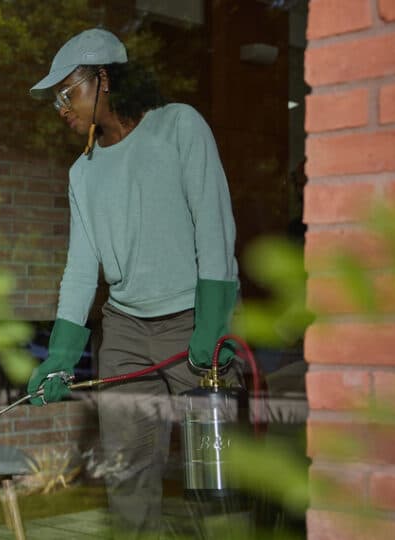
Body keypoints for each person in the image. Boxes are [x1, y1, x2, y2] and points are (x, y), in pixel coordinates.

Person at [26, 28, 241, 538]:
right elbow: (81, 267)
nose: (61, 108)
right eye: (55, 99)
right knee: (128, 481)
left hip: (192, 323)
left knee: (217, 484)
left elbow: (214, 229)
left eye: (67, 93)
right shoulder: (83, 173)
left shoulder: (179, 127)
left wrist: (212, 326)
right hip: (123, 335)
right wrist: (59, 355)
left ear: (104, 79)